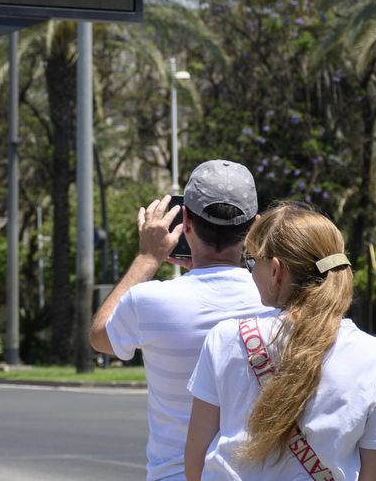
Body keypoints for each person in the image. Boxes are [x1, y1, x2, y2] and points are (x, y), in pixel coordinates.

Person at [185, 203, 376, 481]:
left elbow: (195, 460)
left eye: (252, 261)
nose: (250, 271)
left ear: (276, 271)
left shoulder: (226, 338)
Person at [89, 159, 267, 481]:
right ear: (254, 225)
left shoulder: (151, 302)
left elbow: (100, 335)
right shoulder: (276, 301)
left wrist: (147, 258)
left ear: (185, 221)